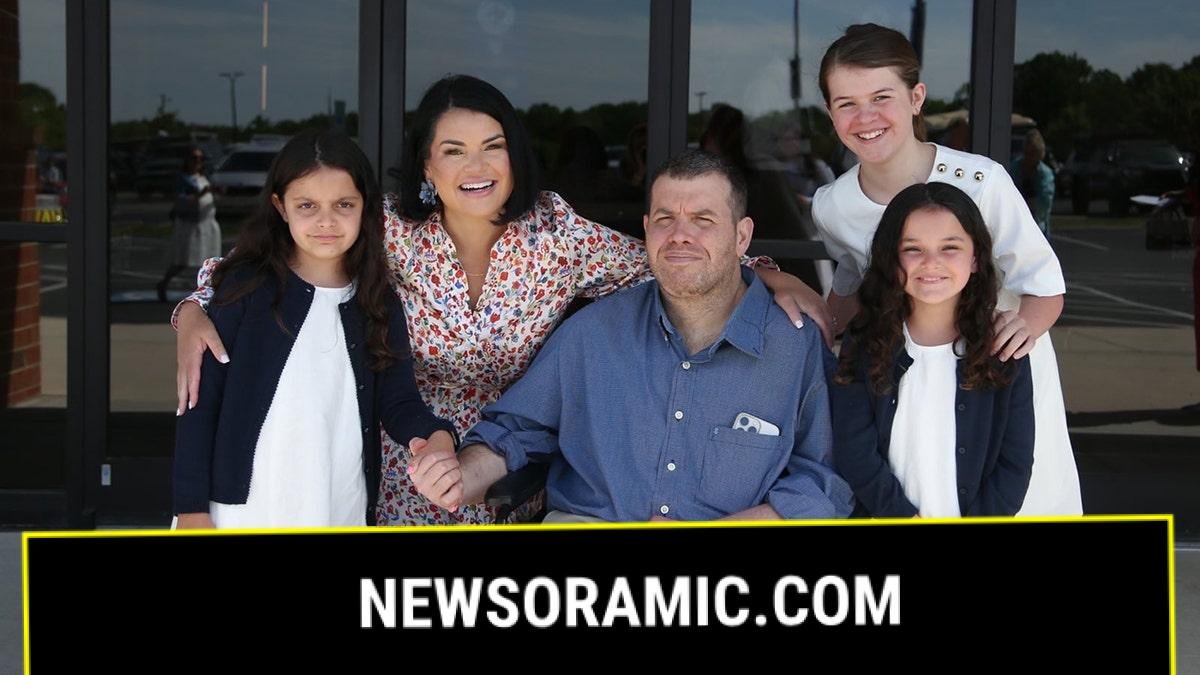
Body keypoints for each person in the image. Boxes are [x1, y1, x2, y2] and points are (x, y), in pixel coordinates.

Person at [172, 75, 828, 526]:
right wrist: (190, 310)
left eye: (492, 146)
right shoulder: (387, 233)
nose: (476, 165)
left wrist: (765, 272)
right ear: (427, 168)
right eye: (452, 150)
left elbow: (667, 258)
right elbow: (257, 265)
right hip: (414, 466)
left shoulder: (554, 229)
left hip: (517, 471)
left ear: (514, 156)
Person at [409, 150, 854, 522]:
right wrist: (461, 476)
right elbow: (516, 429)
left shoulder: (794, 345)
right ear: (645, 229)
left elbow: (827, 477)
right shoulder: (592, 334)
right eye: (665, 218)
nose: (680, 235)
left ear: (742, 237)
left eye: (703, 219)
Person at [810, 23, 1081, 516]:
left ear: (916, 98)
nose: (864, 117)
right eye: (845, 102)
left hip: (992, 375)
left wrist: (1012, 343)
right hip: (908, 376)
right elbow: (851, 287)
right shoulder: (833, 204)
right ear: (830, 112)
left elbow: (1045, 288)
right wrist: (812, 332)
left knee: (1015, 499)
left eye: (881, 97)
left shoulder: (982, 182)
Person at [172, 130, 457, 529]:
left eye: (344, 204)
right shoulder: (246, 289)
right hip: (241, 509)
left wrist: (435, 434)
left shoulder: (378, 300)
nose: (326, 221)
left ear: (366, 208)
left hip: (338, 501)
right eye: (307, 205)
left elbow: (399, 401)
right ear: (281, 207)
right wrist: (191, 509)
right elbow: (199, 406)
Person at [831, 182, 1034, 517]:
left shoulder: (1001, 348)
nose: (931, 263)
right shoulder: (865, 341)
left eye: (949, 247)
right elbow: (854, 450)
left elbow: (1015, 462)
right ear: (892, 260)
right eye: (913, 249)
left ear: (975, 258)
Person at [157, 147, 222, 302]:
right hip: (191, 224)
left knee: (208, 261)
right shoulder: (183, 179)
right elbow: (181, 200)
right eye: (194, 158)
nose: (197, 162)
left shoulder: (202, 177)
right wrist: (201, 194)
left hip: (207, 223)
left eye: (200, 159)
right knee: (184, 259)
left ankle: (206, 293)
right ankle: (164, 283)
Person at [1008, 129, 1055, 234]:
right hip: (1014, 222)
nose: (1029, 157)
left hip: (1037, 226)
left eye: (1033, 153)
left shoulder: (1045, 174)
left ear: (1039, 154)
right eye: (1026, 152)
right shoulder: (1014, 168)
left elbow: (1045, 204)